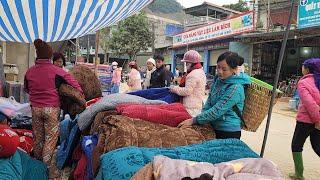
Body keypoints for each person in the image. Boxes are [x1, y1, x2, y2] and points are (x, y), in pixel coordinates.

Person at [24, 39, 83, 179]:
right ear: (50, 57)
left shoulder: (29, 71)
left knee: (38, 138)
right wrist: (80, 92)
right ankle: (45, 168)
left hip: (36, 108)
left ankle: (36, 166)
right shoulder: (57, 71)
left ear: (38, 56)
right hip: (51, 109)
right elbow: (73, 83)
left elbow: (26, 89)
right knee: (50, 139)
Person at [178, 51, 250, 139]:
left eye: (224, 69)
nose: (219, 71)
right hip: (212, 126)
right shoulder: (218, 80)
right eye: (218, 67)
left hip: (228, 131)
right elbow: (209, 101)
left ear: (234, 70)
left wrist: (194, 120)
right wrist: (202, 118)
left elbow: (217, 110)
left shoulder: (236, 88)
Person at [289, 58, 320, 180]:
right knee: (317, 146)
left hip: (306, 121)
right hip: (316, 122)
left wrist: (318, 120)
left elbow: (309, 104)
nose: (301, 68)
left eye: (303, 66)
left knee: (296, 145)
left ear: (307, 69)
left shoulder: (303, 82)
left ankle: (299, 174)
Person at [170, 50, 206, 117]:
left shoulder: (193, 74)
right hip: (196, 105)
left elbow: (187, 91)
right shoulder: (200, 71)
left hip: (190, 107)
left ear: (190, 63)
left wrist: (174, 89)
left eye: (186, 63)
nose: (186, 65)